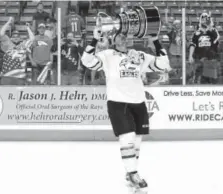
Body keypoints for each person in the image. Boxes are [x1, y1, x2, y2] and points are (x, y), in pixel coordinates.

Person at [81, 27, 172, 193]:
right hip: (118, 102)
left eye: (125, 36)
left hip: (138, 102)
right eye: (119, 36)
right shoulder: (107, 55)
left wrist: (156, 41)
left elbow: (163, 64)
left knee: (137, 141)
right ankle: (133, 173)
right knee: (127, 138)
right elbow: (87, 61)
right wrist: (94, 40)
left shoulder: (139, 55)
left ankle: (129, 173)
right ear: (114, 40)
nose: (123, 38)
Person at [0, 17, 34, 85]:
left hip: (19, 77)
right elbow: (1, 33)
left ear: (20, 38)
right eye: (14, 36)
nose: (16, 38)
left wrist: (28, 28)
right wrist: (8, 22)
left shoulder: (23, 45)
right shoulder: (7, 44)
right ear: (11, 38)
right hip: (7, 75)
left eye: (17, 36)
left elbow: (32, 39)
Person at [188, 12, 220, 84]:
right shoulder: (197, 32)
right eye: (203, 19)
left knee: (211, 81)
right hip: (199, 59)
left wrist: (208, 28)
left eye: (206, 19)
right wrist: (190, 56)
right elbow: (192, 44)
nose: (204, 20)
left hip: (210, 59)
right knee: (199, 80)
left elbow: (216, 40)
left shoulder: (214, 31)